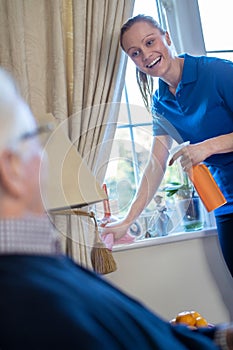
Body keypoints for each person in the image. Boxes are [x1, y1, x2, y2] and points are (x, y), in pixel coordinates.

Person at [0, 68, 233, 350]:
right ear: (11, 168)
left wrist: (218, 337)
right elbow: (155, 165)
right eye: (36, 139)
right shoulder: (31, 295)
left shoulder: (41, 270)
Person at [101, 14, 233, 277]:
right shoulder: (161, 102)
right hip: (226, 203)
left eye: (150, 42)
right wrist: (127, 220)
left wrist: (207, 147)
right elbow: (155, 163)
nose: (146, 55)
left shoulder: (217, 72)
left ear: (167, 38)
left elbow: (205, 148)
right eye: (135, 52)